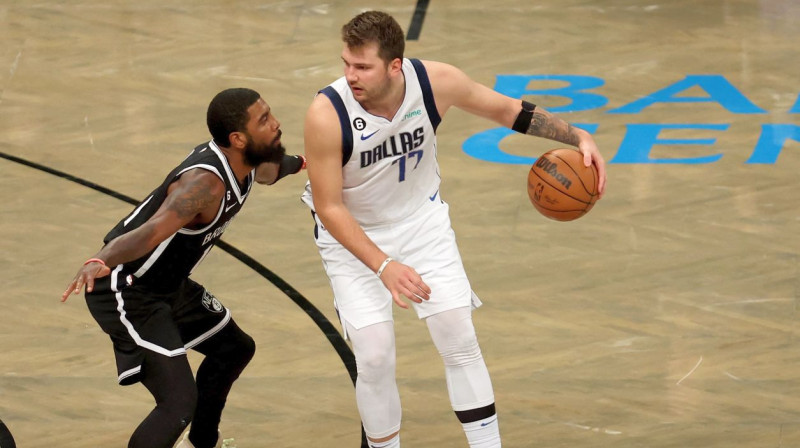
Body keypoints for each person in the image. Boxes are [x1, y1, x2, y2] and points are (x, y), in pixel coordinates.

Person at [301, 10, 607, 448]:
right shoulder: (326, 113)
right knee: (373, 356)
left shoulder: (434, 82)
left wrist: (577, 136)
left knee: (458, 337)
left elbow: (510, 111)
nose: (350, 75)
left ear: (394, 65)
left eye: (362, 66)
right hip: (353, 238)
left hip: (422, 223)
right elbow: (329, 208)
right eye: (346, 63)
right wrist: (384, 265)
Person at [61, 88, 306, 448]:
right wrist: (102, 258)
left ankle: (203, 442)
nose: (276, 123)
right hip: (126, 289)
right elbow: (150, 231)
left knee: (234, 349)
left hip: (168, 286)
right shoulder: (204, 186)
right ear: (238, 139)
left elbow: (272, 171)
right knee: (177, 404)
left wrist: (309, 161)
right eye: (265, 120)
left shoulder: (248, 162)